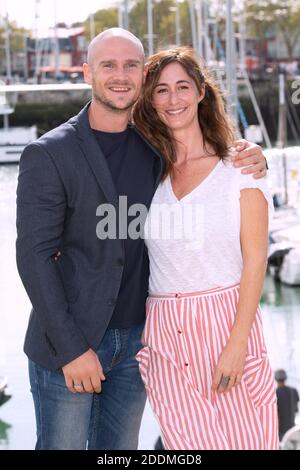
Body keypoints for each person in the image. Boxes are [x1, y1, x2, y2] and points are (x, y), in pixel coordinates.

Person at [16, 29, 268, 450]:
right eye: (107, 65)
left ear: (141, 76)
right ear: (86, 72)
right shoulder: (49, 153)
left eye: (131, 65)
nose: (120, 75)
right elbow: (34, 257)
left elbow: (206, 170)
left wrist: (252, 155)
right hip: (72, 343)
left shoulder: (155, 147)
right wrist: (71, 349)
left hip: (140, 343)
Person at [134, 46, 279, 450]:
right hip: (163, 331)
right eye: (161, 90)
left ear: (201, 92)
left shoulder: (239, 168)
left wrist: (237, 346)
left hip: (226, 324)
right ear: (150, 99)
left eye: (183, 86)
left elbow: (255, 262)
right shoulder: (145, 171)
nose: (173, 99)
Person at [275, 369, 299, 440]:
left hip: (280, 434)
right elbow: (296, 410)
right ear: (285, 378)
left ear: (275, 379)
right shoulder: (294, 391)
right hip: (292, 432)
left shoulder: (274, 394)